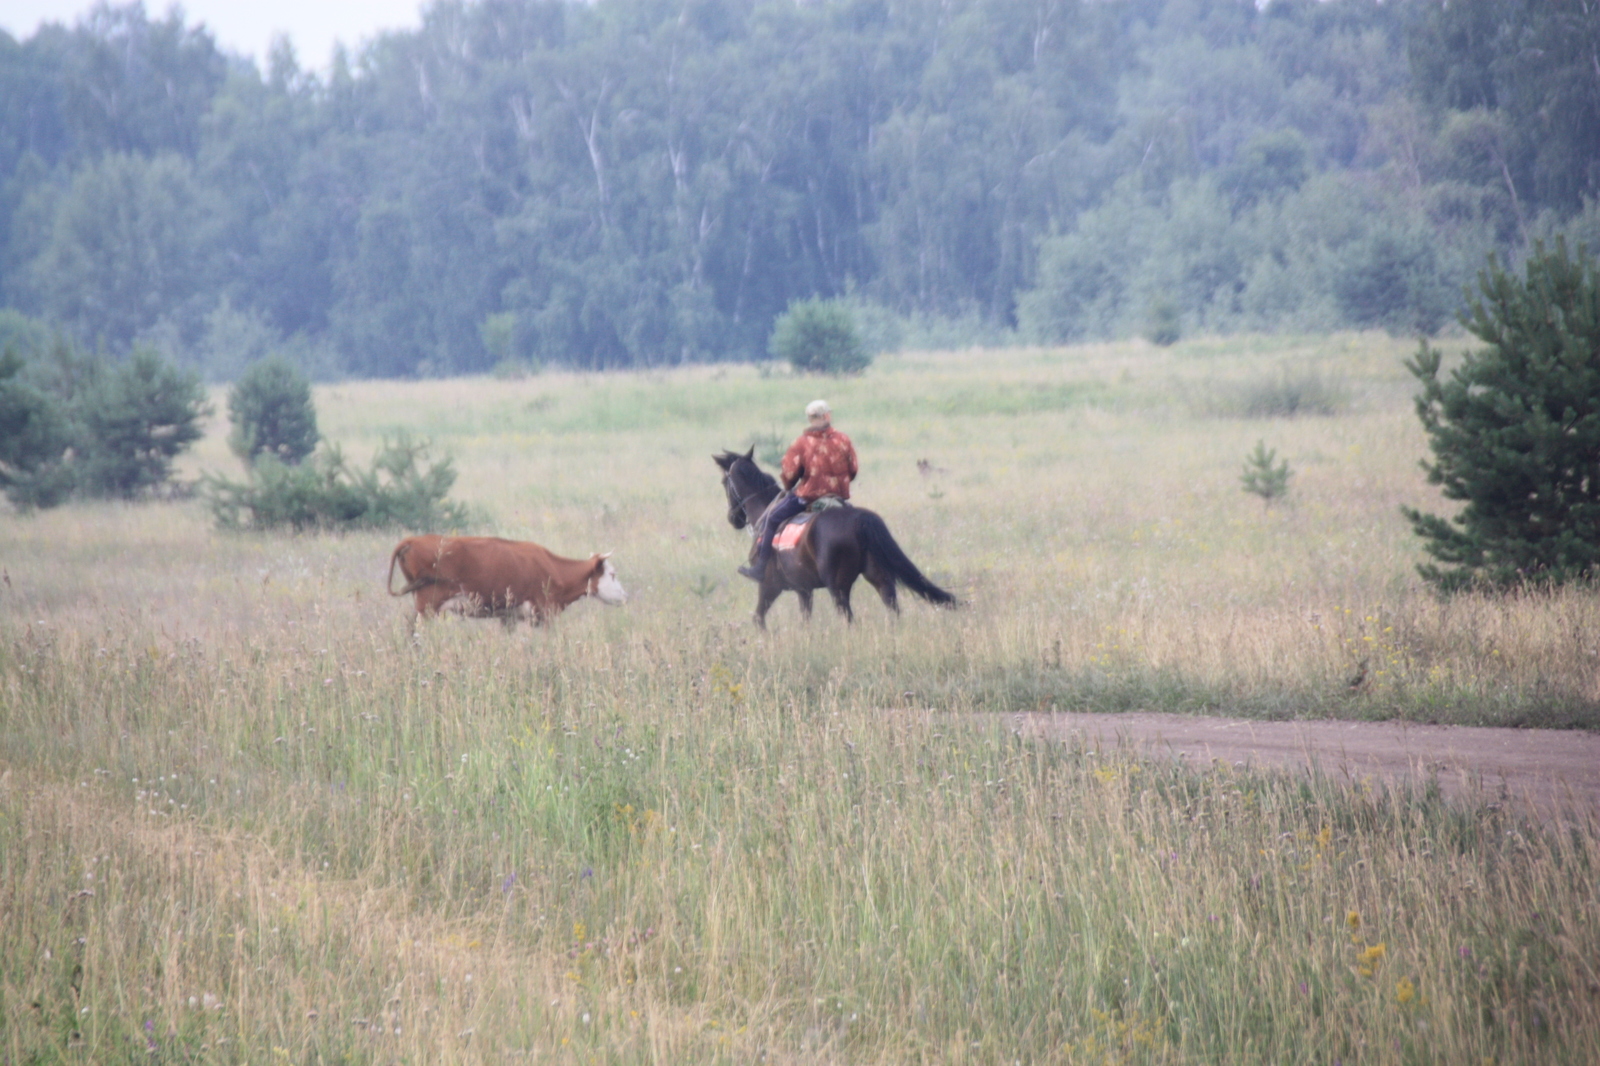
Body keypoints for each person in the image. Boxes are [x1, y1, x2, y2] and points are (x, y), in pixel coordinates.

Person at [738, 399, 859, 580]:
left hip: (807, 498)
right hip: (837, 497)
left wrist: (789, 486)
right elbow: (853, 469)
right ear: (827, 416)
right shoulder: (844, 439)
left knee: (771, 520)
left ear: (810, 419)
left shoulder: (801, 443)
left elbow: (789, 474)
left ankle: (760, 568)